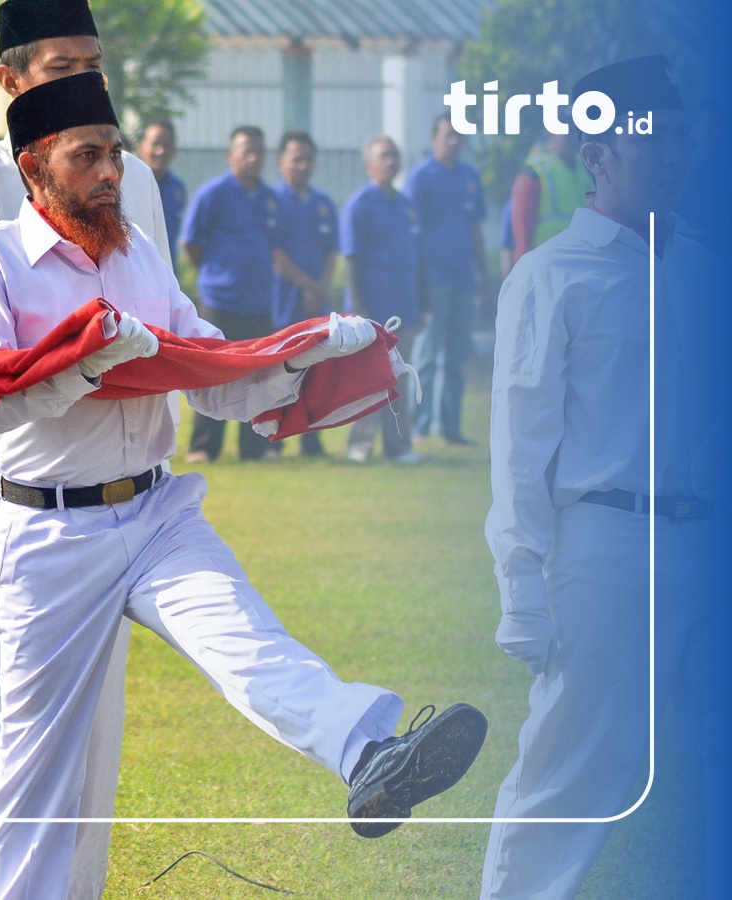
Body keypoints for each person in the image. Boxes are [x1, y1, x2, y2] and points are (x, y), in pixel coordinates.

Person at [0, 73, 488, 900]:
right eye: (85, 155)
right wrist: (88, 358)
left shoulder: (138, 255)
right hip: (50, 534)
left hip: (158, 511)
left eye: (115, 154)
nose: (108, 172)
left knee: (251, 646)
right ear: (34, 166)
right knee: (34, 779)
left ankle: (370, 752)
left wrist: (305, 356)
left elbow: (208, 373)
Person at [0, 0, 174, 892]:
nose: (80, 79)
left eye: (91, 62)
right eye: (60, 64)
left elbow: (160, 328)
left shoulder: (129, 178)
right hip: (17, 512)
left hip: (123, 497)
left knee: (97, 737)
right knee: (13, 735)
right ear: (10, 79)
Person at [481, 55, 724, 900]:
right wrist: (520, 579)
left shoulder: (705, 266)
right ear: (595, 156)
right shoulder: (551, 278)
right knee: (573, 772)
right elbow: (520, 445)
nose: (671, 155)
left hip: (706, 542)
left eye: (681, 138)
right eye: (648, 138)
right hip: (605, 548)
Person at [182, 124, 279, 463]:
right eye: (245, 152)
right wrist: (215, 275)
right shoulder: (214, 193)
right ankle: (204, 446)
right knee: (214, 376)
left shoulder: (270, 198)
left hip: (259, 303)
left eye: (258, 152)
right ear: (230, 156)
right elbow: (191, 243)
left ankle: (255, 448)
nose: (253, 159)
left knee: (258, 378)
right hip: (221, 302)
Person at [341, 136, 425, 465]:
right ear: (369, 166)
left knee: (399, 378)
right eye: (383, 156)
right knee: (368, 379)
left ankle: (398, 447)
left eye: (394, 156)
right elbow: (352, 258)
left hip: (403, 306)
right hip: (371, 310)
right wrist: (358, 307)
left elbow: (418, 258)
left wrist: (423, 302)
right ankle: (359, 446)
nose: (390, 162)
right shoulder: (359, 205)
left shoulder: (406, 206)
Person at [406, 114, 487, 446]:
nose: (455, 141)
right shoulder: (421, 178)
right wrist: (417, 280)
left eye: (460, 136)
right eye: (448, 134)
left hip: (463, 279)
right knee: (426, 355)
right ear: (434, 137)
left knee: (456, 357)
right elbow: (410, 232)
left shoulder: (469, 177)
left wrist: (483, 274)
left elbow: (474, 227)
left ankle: (449, 429)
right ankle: (418, 426)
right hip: (432, 279)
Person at [267, 129, 338, 458]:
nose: (303, 165)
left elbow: (330, 251)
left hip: (316, 303)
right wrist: (308, 286)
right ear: (281, 162)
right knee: (280, 374)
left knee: (315, 373)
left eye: (308, 159)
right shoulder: (273, 201)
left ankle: (313, 443)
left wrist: (321, 287)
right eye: (296, 159)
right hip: (282, 301)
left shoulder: (323, 203)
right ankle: (275, 441)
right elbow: (275, 254)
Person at [508, 124, 586, 266]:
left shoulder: (590, 171)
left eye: (577, 133)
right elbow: (523, 239)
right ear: (551, 133)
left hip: (586, 265)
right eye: (567, 133)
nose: (574, 138)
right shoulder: (533, 175)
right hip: (548, 269)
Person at [138, 117, 186, 263]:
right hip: (136, 271)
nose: (161, 151)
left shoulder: (177, 188)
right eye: (155, 144)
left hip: (167, 271)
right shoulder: (126, 182)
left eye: (167, 145)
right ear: (142, 146)